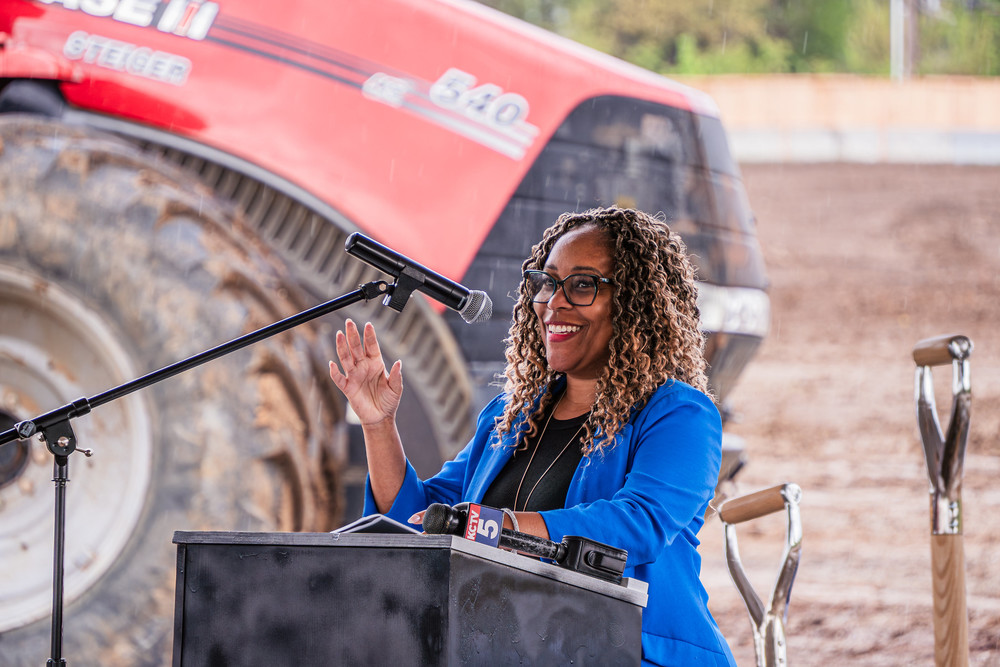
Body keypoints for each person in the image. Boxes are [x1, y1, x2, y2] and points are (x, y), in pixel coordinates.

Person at [329, 206, 736, 666]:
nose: (553, 304)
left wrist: (501, 528)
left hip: (633, 651)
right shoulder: (509, 416)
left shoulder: (679, 414)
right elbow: (416, 523)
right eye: (546, 282)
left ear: (634, 305)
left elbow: (637, 524)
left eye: (582, 285)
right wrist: (378, 424)